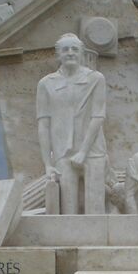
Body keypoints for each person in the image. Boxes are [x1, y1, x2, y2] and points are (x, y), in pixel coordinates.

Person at [36, 33, 107, 214]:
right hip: (62, 152)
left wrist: (83, 151)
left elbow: (98, 117)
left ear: (81, 53)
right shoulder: (46, 83)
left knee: (95, 208)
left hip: (93, 150)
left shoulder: (95, 78)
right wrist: (47, 164)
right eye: (65, 49)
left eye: (75, 49)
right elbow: (43, 125)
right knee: (68, 209)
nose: (70, 53)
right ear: (58, 54)